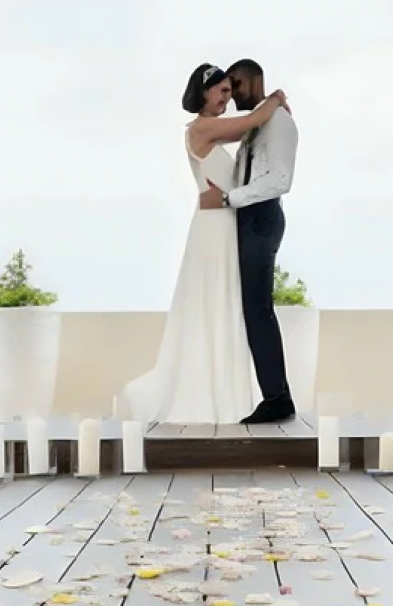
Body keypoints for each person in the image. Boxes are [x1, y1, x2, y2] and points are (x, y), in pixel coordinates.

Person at [118, 63, 288, 424]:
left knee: (227, 307)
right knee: (215, 306)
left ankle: (229, 394)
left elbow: (249, 134)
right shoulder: (201, 126)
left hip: (225, 222)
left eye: (231, 91)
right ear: (205, 92)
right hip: (214, 227)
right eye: (223, 92)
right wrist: (275, 98)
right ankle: (211, 393)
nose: (228, 99)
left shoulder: (212, 129)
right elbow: (249, 124)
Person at [202, 58, 299, 425]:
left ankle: (278, 399)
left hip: (261, 217)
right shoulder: (257, 123)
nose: (234, 94)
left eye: (238, 85)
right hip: (247, 219)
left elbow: (279, 180)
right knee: (250, 311)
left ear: (255, 80)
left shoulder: (279, 122)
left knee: (258, 310)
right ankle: (275, 395)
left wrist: (228, 200)